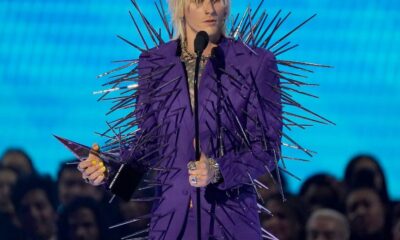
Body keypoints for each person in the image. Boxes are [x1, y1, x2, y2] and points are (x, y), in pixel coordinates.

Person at [73, 0, 332, 238]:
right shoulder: (154, 62)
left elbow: (266, 147)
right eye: (199, 1)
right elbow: (149, 143)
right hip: (171, 220)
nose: (210, 9)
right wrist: (107, 169)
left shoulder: (256, 63)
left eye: (217, 0)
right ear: (180, 5)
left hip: (230, 219)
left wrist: (218, 170)